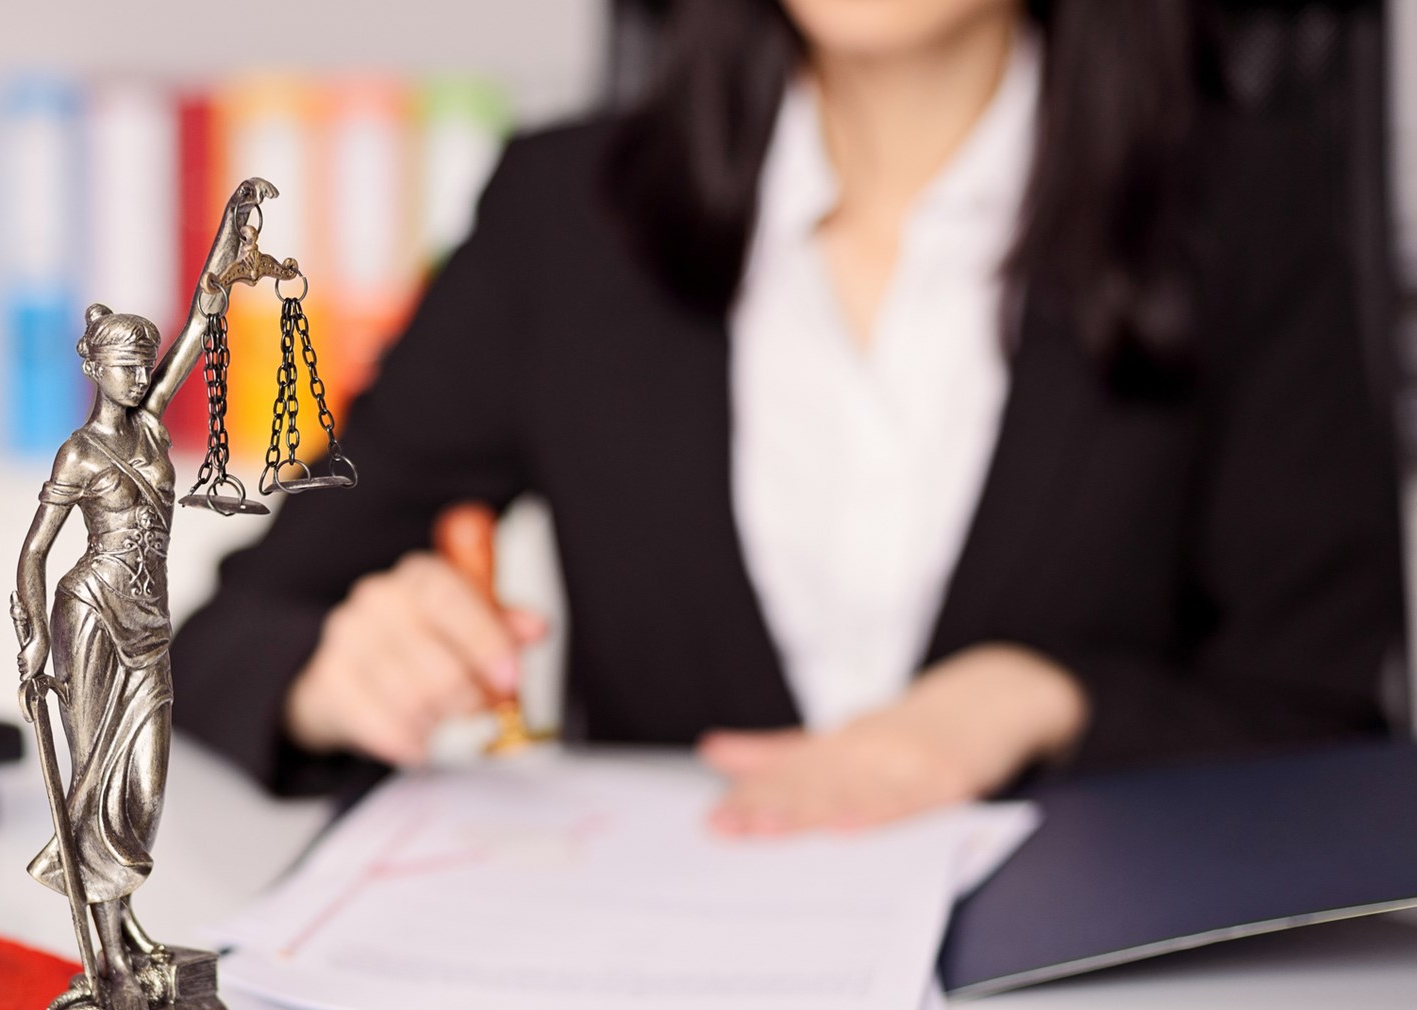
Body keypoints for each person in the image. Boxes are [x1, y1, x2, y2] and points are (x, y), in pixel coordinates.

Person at [171, 0, 1407, 833]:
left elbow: (1325, 720)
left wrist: (1036, 697)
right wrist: (333, 679)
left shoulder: (1249, 212)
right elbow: (229, 633)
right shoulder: (567, 217)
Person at [14, 178, 275, 1010]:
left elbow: (202, 327)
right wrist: (29, 641)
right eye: (124, 364)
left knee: (143, 788)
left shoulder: (156, 429)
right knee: (93, 786)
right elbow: (34, 552)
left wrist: (229, 245)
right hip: (88, 617)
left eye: (143, 363)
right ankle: (109, 952)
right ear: (95, 367)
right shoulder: (81, 453)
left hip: (151, 629)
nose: (137, 375)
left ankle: (127, 931)